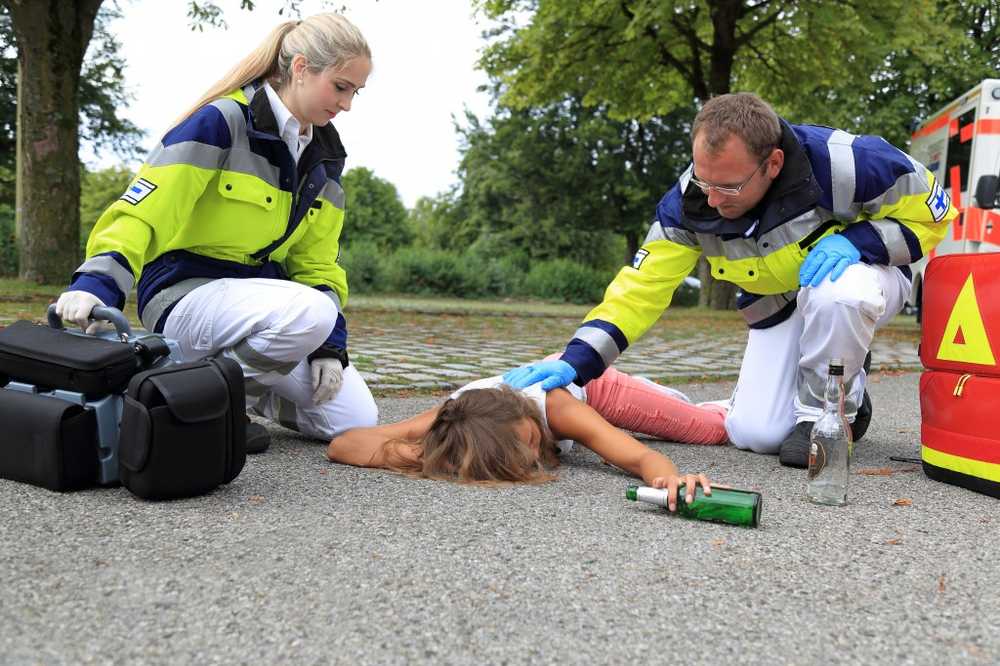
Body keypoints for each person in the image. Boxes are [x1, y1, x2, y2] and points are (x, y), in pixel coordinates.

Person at [504, 92, 956, 468]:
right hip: (777, 301)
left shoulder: (851, 163)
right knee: (755, 433)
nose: (715, 200)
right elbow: (638, 291)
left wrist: (860, 241)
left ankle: (827, 411)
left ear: (773, 163)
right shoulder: (685, 205)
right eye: (705, 182)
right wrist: (579, 360)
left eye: (731, 187)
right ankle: (849, 376)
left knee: (840, 295)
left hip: (860, 278)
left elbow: (937, 217)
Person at [54, 14, 379, 453]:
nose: (348, 105)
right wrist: (96, 284)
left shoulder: (325, 159)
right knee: (311, 313)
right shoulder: (222, 122)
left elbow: (317, 262)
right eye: (341, 87)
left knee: (354, 418)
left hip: (262, 310)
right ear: (301, 68)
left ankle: (218, 386)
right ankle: (211, 399)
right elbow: (145, 210)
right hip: (184, 294)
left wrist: (329, 346)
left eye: (355, 92)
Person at [328, 363, 724, 507]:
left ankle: (725, 405)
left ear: (522, 413)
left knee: (713, 430)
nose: (536, 454)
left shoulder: (554, 408)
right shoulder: (455, 420)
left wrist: (667, 478)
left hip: (596, 386)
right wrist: (443, 455)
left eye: (532, 441)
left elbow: (638, 457)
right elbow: (344, 443)